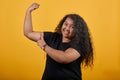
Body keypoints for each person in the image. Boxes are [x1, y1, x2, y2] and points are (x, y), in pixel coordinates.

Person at [24, 3, 94, 80]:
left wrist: (44, 46)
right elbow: (28, 33)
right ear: (62, 24)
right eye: (66, 24)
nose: (67, 28)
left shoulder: (79, 45)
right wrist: (28, 12)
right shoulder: (53, 37)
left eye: (72, 27)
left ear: (78, 30)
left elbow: (64, 58)